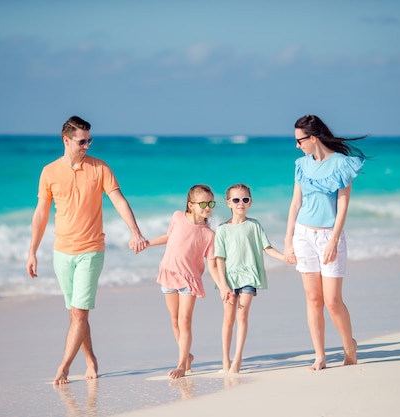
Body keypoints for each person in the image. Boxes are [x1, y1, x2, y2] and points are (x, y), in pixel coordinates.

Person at [26, 115, 148, 385]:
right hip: (61, 253)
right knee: (75, 314)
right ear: (66, 140)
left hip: (91, 250)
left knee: (80, 313)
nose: (87, 146)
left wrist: (135, 232)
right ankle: (91, 359)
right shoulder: (49, 172)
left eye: (89, 140)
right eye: (82, 141)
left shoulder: (100, 168)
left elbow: (118, 199)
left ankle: (64, 367)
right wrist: (32, 252)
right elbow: (41, 214)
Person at [283, 114, 367, 371]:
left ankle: (348, 345)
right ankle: (319, 355)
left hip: (329, 236)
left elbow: (343, 204)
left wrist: (333, 240)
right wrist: (288, 240)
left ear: (313, 137)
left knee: (332, 300)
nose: (297, 145)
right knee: (313, 299)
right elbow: (296, 202)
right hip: (303, 235)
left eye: (300, 140)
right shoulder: (301, 164)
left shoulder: (343, 164)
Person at [146, 184, 224, 379]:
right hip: (169, 273)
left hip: (190, 281)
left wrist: (223, 286)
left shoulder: (209, 235)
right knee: (174, 320)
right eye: (203, 203)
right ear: (191, 205)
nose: (208, 207)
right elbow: (169, 237)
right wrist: (147, 243)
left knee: (185, 320)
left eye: (210, 203)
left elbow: (213, 265)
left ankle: (181, 364)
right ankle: (187, 355)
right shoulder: (177, 217)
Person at [214, 183, 285, 373]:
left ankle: (237, 359)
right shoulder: (222, 229)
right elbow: (219, 259)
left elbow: (267, 248)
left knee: (242, 314)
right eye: (236, 200)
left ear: (250, 202)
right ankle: (225, 360)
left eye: (245, 199)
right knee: (228, 319)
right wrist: (222, 285)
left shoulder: (254, 225)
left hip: (249, 275)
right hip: (228, 279)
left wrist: (284, 257)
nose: (240, 203)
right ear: (229, 203)